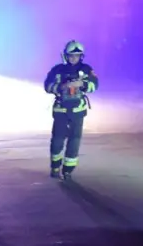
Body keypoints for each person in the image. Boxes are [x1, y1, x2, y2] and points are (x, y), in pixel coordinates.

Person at [43, 39, 100, 180]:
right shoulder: (57, 70)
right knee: (57, 139)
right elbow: (47, 86)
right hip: (61, 111)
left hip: (77, 111)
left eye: (77, 56)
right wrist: (61, 87)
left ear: (81, 56)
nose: (74, 58)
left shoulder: (86, 70)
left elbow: (94, 85)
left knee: (74, 141)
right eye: (71, 55)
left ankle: (68, 170)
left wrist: (83, 83)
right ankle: (55, 167)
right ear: (66, 56)